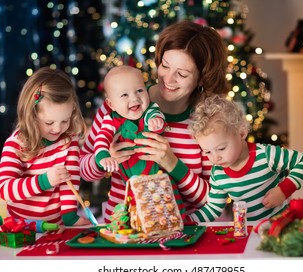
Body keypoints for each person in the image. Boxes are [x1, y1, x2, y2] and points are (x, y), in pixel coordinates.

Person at [79, 20, 229, 223]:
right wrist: (105, 158)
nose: (168, 78)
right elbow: (83, 169)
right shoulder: (120, 104)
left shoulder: (208, 121)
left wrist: (172, 163)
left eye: (182, 74)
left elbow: (211, 200)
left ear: (202, 78)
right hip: (123, 230)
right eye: (164, 66)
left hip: (182, 234)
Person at [187, 95, 303, 222]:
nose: (215, 158)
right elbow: (213, 208)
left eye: (221, 148)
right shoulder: (218, 174)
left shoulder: (265, 154)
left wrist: (283, 190)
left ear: (241, 133)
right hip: (252, 234)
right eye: (207, 152)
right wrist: (188, 221)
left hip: (283, 224)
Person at [0, 67, 91, 226]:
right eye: (49, 122)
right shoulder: (16, 144)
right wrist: (44, 181)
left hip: (55, 226)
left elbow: (71, 181)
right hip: (22, 226)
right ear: (32, 115)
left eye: (65, 120)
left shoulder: (68, 140)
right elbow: (5, 190)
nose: (58, 129)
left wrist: (70, 217)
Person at [94, 65, 166, 179]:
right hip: (129, 181)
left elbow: (155, 115)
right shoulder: (112, 120)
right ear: (111, 104)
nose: (135, 99)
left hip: (157, 177)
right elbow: (101, 138)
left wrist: (156, 122)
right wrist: (103, 156)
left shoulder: (149, 110)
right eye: (124, 95)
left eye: (139, 91)